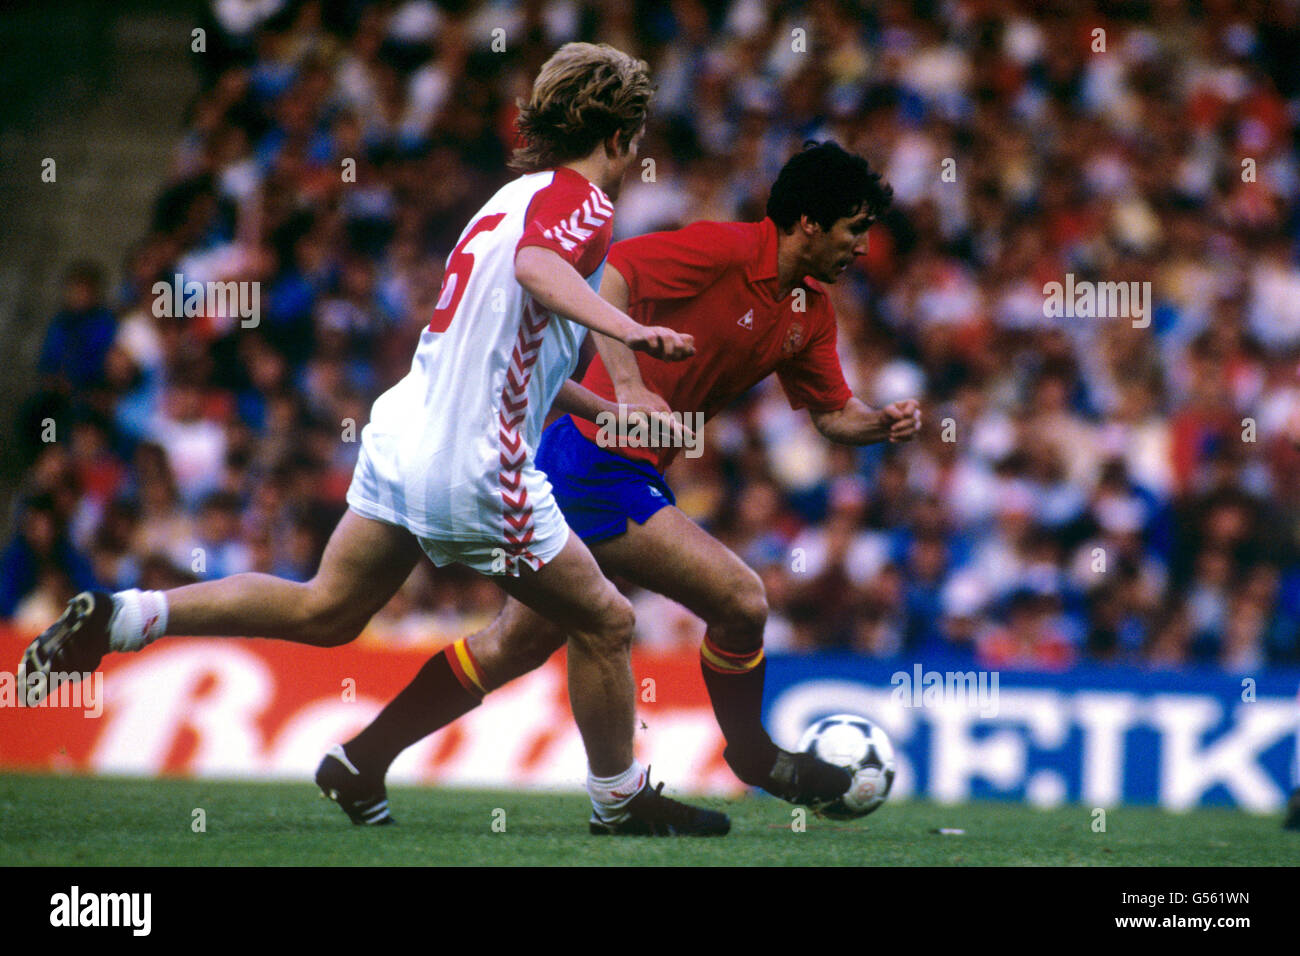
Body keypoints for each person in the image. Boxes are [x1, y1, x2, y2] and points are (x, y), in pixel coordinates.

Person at [20, 42, 729, 838]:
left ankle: (124, 618)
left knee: (326, 609)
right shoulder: (581, 206)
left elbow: (500, 346)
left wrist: (606, 411)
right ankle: (620, 800)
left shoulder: (506, 199)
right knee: (606, 620)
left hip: (407, 434)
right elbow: (537, 271)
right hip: (475, 462)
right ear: (623, 132)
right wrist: (631, 327)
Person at [326, 141, 921, 821]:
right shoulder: (726, 250)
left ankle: (360, 760)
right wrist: (631, 384)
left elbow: (832, 415)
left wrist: (879, 423)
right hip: (595, 458)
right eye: (855, 228)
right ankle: (751, 756)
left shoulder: (810, 313)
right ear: (809, 223)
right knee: (741, 600)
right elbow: (610, 276)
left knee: (514, 643)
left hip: (617, 467)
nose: (865, 247)